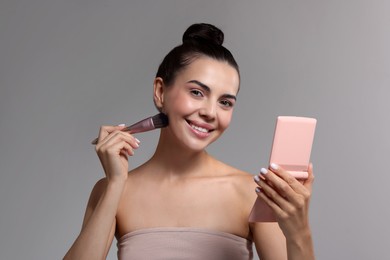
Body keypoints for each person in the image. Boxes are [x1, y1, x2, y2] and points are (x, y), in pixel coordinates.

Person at [64, 23, 315, 260]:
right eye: (197, 92)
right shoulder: (112, 191)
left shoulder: (250, 193)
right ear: (160, 92)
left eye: (225, 102)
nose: (210, 112)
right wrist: (115, 183)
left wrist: (298, 229)